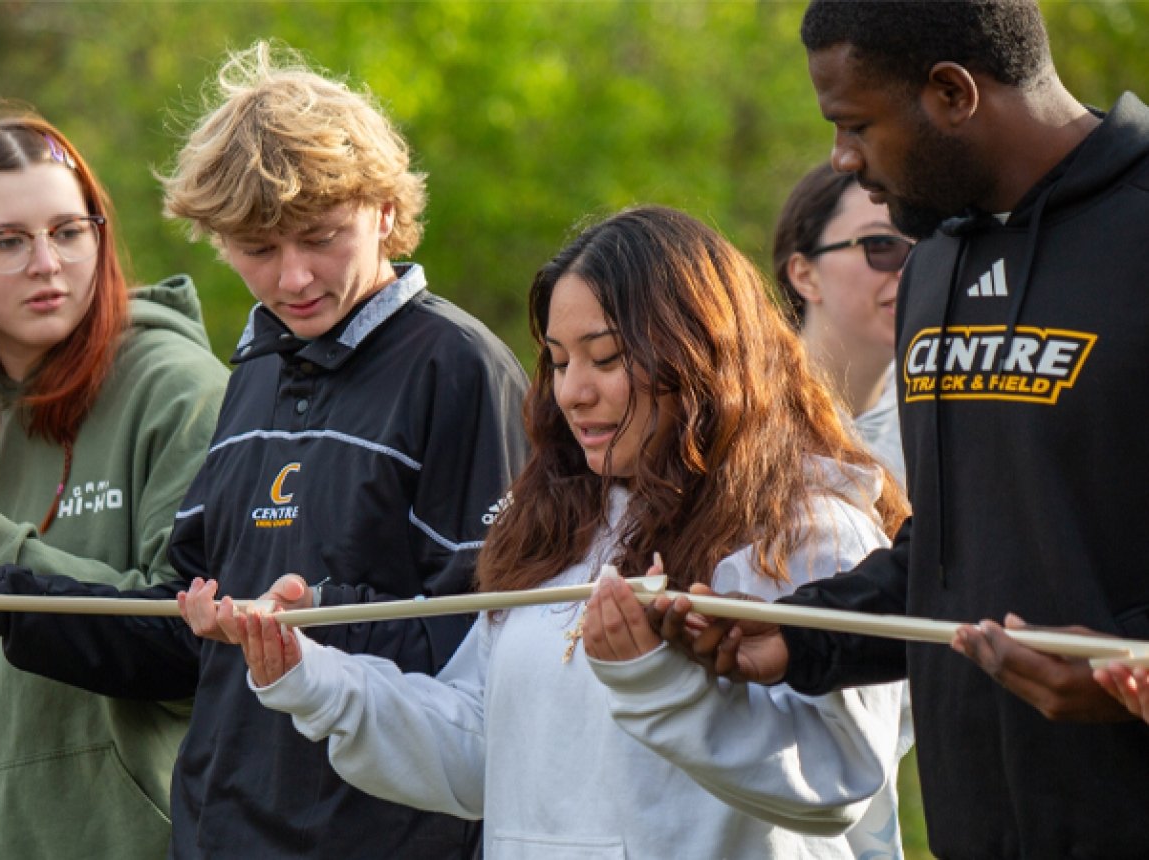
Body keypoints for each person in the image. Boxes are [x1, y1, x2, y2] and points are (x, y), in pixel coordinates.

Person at [0, 43, 528, 858]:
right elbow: (180, 631)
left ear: (386, 210)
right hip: (226, 836)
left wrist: (312, 623)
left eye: (322, 238)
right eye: (258, 250)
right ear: (217, 241)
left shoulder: (458, 368)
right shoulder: (255, 368)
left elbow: (494, 652)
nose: (293, 278)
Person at [226, 205, 911, 857]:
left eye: (605, 358)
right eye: (558, 360)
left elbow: (837, 779)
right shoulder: (556, 529)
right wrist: (313, 677)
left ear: (701, 354)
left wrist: (659, 683)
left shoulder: (814, 530)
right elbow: (480, 751)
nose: (572, 391)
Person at [652, 1, 1149, 856]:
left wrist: (1135, 673)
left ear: (953, 94)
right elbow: (953, 556)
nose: (843, 160)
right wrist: (801, 632)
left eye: (855, 127)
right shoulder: (936, 266)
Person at [0, 116, 227, 857]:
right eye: (7, 241)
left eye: (69, 230)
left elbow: (199, 647)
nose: (47, 263)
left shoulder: (178, 393)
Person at [772, 162, 914, 486]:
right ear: (805, 275)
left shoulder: (939, 414)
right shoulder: (740, 410)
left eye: (927, 250)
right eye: (881, 245)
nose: (910, 271)